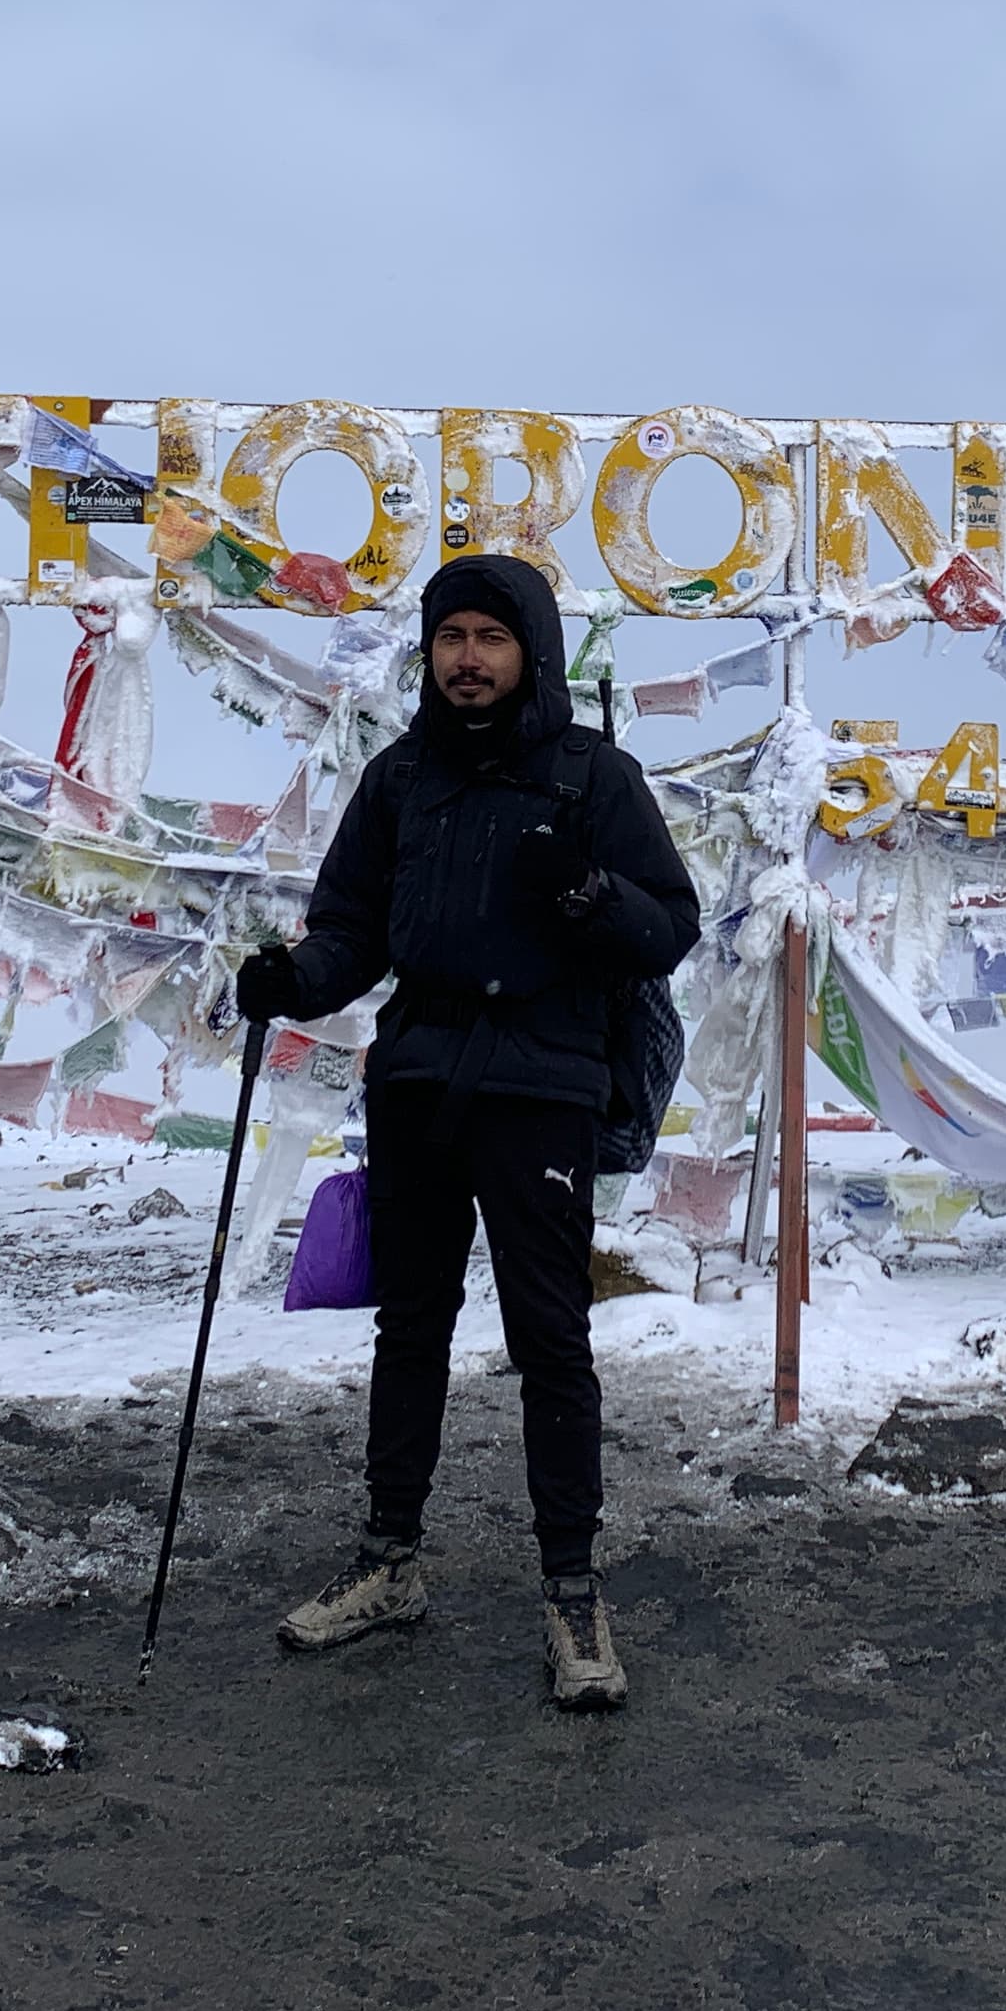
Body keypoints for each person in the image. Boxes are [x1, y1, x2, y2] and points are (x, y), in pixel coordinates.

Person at [235, 552, 698, 1712]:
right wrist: (293, 982)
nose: (469, 660)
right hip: (419, 1081)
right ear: (430, 652)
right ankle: (391, 1560)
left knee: (551, 1338)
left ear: (530, 650)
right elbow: (352, 930)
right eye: (452, 639)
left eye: (492, 638)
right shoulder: (400, 782)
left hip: (543, 1088)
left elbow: (670, 931)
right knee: (412, 1327)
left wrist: (587, 894)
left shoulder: (595, 778)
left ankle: (572, 1591)